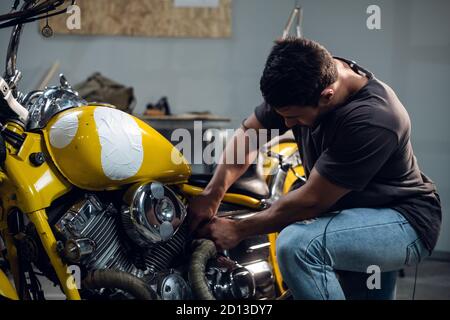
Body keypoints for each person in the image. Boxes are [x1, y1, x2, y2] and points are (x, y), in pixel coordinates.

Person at [187, 37, 442, 299]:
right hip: (348, 215)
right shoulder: (302, 81)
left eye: (294, 117)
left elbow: (312, 201)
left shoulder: (374, 119)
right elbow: (251, 135)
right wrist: (212, 194)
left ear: (327, 96)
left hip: (401, 221)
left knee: (297, 246)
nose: (286, 122)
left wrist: (239, 229)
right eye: (282, 114)